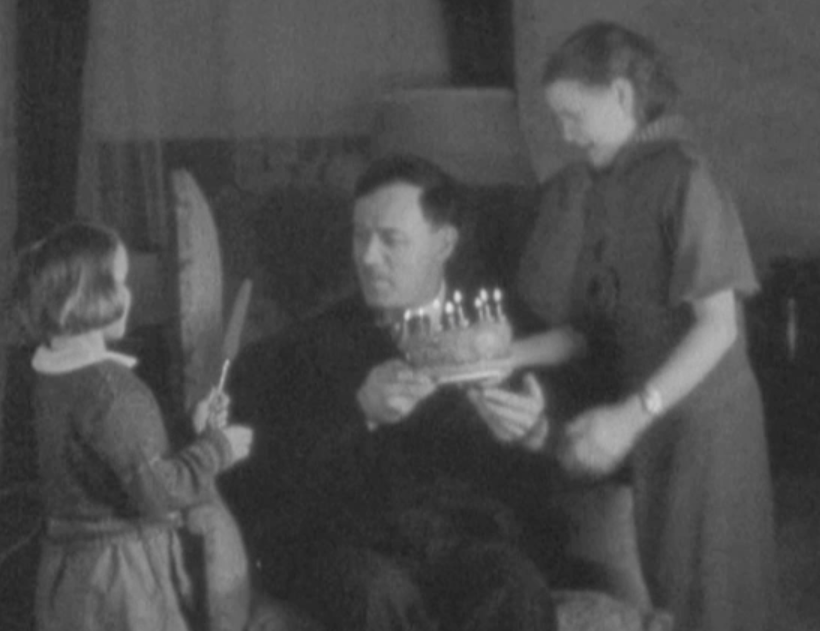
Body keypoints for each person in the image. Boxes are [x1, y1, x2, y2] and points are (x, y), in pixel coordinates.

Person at [483, 20, 776, 631]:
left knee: (711, 603)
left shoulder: (687, 178)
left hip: (706, 430)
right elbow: (590, 330)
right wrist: (500, 355)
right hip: (655, 427)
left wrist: (631, 414)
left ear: (621, 95)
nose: (565, 135)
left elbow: (718, 327)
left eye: (572, 115)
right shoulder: (606, 187)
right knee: (668, 594)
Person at [225, 154, 559, 631]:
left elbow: (550, 474)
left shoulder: (502, 333)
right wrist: (358, 412)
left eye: (391, 240)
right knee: (374, 592)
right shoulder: (306, 348)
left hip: (464, 544)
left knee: (515, 586)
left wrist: (535, 435)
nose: (367, 257)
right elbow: (262, 477)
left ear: (444, 244)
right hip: (354, 546)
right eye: (360, 236)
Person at [12, 222, 254, 631]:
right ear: (87, 295)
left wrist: (189, 428)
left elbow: (110, 460)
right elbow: (158, 492)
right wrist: (217, 448)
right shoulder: (112, 390)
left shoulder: (51, 374)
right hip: (122, 581)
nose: (129, 295)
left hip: (71, 574)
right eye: (121, 282)